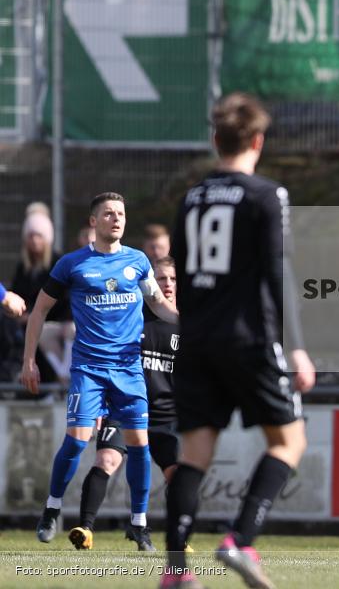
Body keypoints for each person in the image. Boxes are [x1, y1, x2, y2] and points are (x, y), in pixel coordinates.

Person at [163, 92, 315, 589]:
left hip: (197, 340)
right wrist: (295, 345)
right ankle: (240, 540)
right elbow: (277, 271)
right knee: (290, 441)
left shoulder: (189, 198)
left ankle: (177, 572)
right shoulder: (266, 196)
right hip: (249, 340)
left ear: (214, 140)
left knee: (194, 455)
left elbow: (183, 275)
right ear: (257, 140)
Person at [22, 192, 179, 551]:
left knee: (139, 446)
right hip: (89, 369)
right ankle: (52, 509)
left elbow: (158, 303)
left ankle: (138, 525)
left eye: (121, 213)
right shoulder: (72, 264)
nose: (116, 218)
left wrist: (192, 324)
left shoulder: (138, 262)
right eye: (108, 213)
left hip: (127, 369)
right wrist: (29, 359)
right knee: (77, 440)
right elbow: (40, 311)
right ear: (94, 222)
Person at [67, 256, 181, 551]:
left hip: (165, 415)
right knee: (106, 460)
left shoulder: (183, 324)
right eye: (161, 279)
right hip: (123, 406)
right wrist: (98, 406)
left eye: (171, 278)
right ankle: (85, 529)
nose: (166, 284)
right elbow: (105, 361)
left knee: (180, 475)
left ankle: (173, 537)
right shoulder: (130, 316)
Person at [12, 204, 74, 383]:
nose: (34, 240)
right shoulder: (23, 267)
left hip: (54, 319)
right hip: (29, 320)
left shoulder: (57, 262)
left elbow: (63, 299)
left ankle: (58, 380)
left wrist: (34, 315)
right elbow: (17, 294)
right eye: (30, 235)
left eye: (38, 235)